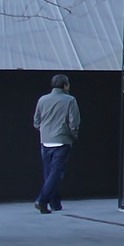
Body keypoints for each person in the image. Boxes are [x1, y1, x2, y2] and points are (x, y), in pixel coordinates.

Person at [32, 75, 81, 214]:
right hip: (62, 140)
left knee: (49, 173)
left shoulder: (42, 99)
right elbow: (74, 122)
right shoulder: (70, 100)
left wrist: (44, 131)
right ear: (65, 85)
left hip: (45, 141)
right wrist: (73, 135)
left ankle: (55, 203)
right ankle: (42, 200)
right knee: (56, 173)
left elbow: (36, 121)